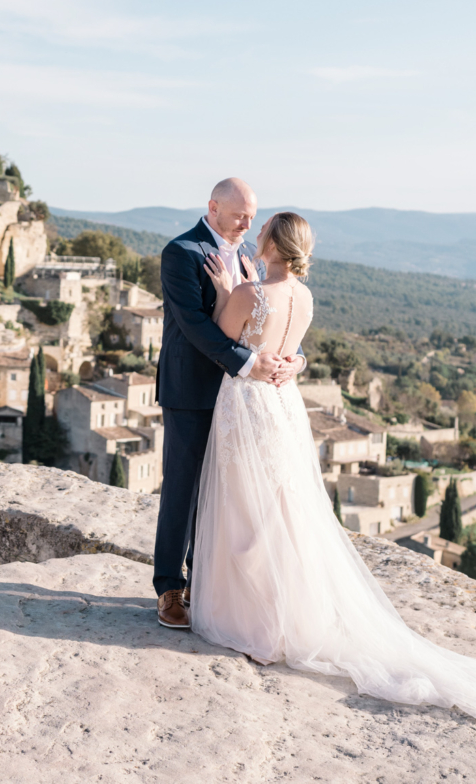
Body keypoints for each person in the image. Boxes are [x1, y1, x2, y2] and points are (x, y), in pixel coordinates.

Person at [186, 211, 476, 722]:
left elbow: (219, 341)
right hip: (284, 407)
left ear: (276, 245)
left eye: (262, 232)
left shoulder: (249, 294)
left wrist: (222, 289)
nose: (255, 235)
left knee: (246, 510)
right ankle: (285, 614)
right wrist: (286, 351)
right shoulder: (304, 297)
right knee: (284, 509)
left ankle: (256, 622)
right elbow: (289, 349)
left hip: (248, 406)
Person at [152, 178, 302, 631]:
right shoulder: (181, 252)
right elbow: (196, 325)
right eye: (239, 215)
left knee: (225, 493)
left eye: (253, 216)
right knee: (183, 488)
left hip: (240, 399)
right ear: (213, 207)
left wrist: (294, 360)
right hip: (193, 390)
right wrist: (249, 363)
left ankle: (207, 583)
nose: (247, 223)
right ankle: (168, 588)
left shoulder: (253, 259)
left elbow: (271, 317)